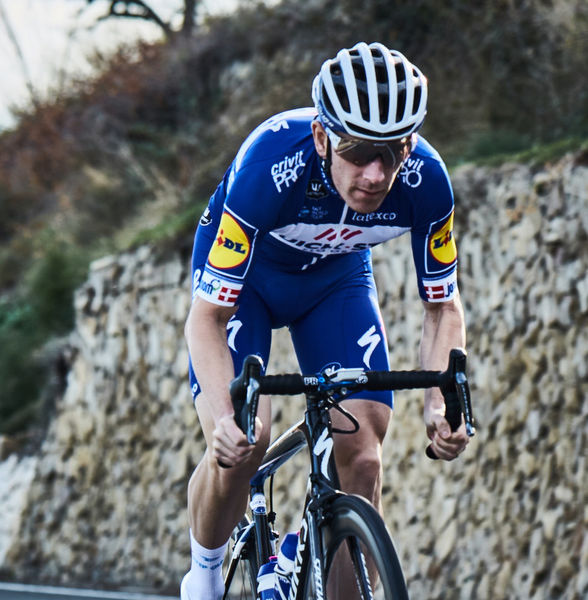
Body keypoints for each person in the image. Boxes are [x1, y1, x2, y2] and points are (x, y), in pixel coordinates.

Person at [180, 42, 471, 600]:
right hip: (249, 284)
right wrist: (223, 419)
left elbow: (441, 306)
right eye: (358, 151)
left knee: (362, 452)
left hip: (335, 281)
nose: (375, 172)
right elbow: (207, 319)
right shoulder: (271, 165)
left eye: (392, 152)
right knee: (246, 439)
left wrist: (440, 404)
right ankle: (206, 573)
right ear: (321, 139)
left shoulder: (427, 182)